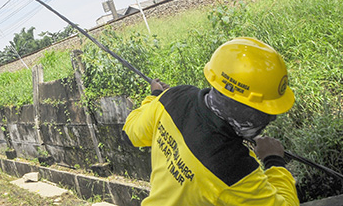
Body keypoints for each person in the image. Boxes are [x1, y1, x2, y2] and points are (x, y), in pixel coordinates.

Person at [122, 37, 298, 205]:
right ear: (240, 106)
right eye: (264, 111)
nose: (271, 118)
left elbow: (130, 133)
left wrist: (155, 96)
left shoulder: (174, 97)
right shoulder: (233, 171)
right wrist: (274, 160)